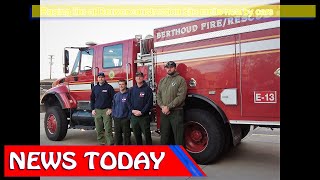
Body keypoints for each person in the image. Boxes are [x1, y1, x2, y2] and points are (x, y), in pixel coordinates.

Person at [156, 61, 188, 145]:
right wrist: (162, 106)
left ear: (175, 68)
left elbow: (181, 97)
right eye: (167, 67)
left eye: (171, 67)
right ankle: (166, 156)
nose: (169, 69)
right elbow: (158, 95)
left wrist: (168, 107)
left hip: (176, 112)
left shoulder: (180, 80)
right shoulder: (162, 81)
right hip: (164, 113)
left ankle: (179, 157)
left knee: (178, 138)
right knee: (164, 137)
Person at [128, 72, 153, 145]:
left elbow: (149, 103)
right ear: (135, 78)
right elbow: (128, 102)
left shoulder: (148, 89)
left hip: (144, 116)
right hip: (134, 117)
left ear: (143, 78)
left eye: (140, 76)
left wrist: (142, 112)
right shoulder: (131, 90)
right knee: (137, 135)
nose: (138, 78)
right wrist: (132, 110)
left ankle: (150, 151)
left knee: (147, 135)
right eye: (137, 76)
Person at [90, 72, 115, 145]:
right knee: (98, 129)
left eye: (102, 77)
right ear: (97, 79)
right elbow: (92, 99)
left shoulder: (109, 87)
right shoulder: (95, 88)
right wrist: (93, 109)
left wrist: (111, 108)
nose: (101, 79)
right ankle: (102, 142)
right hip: (97, 111)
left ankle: (110, 143)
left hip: (106, 111)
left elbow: (113, 99)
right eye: (99, 77)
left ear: (104, 78)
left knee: (108, 129)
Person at [112, 80, 131, 145]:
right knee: (117, 135)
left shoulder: (129, 95)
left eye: (122, 84)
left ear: (125, 85)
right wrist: (113, 115)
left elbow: (130, 107)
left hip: (125, 119)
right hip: (116, 118)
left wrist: (128, 117)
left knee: (126, 135)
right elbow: (113, 106)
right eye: (120, 84)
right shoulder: (116, 95)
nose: (121, 86)